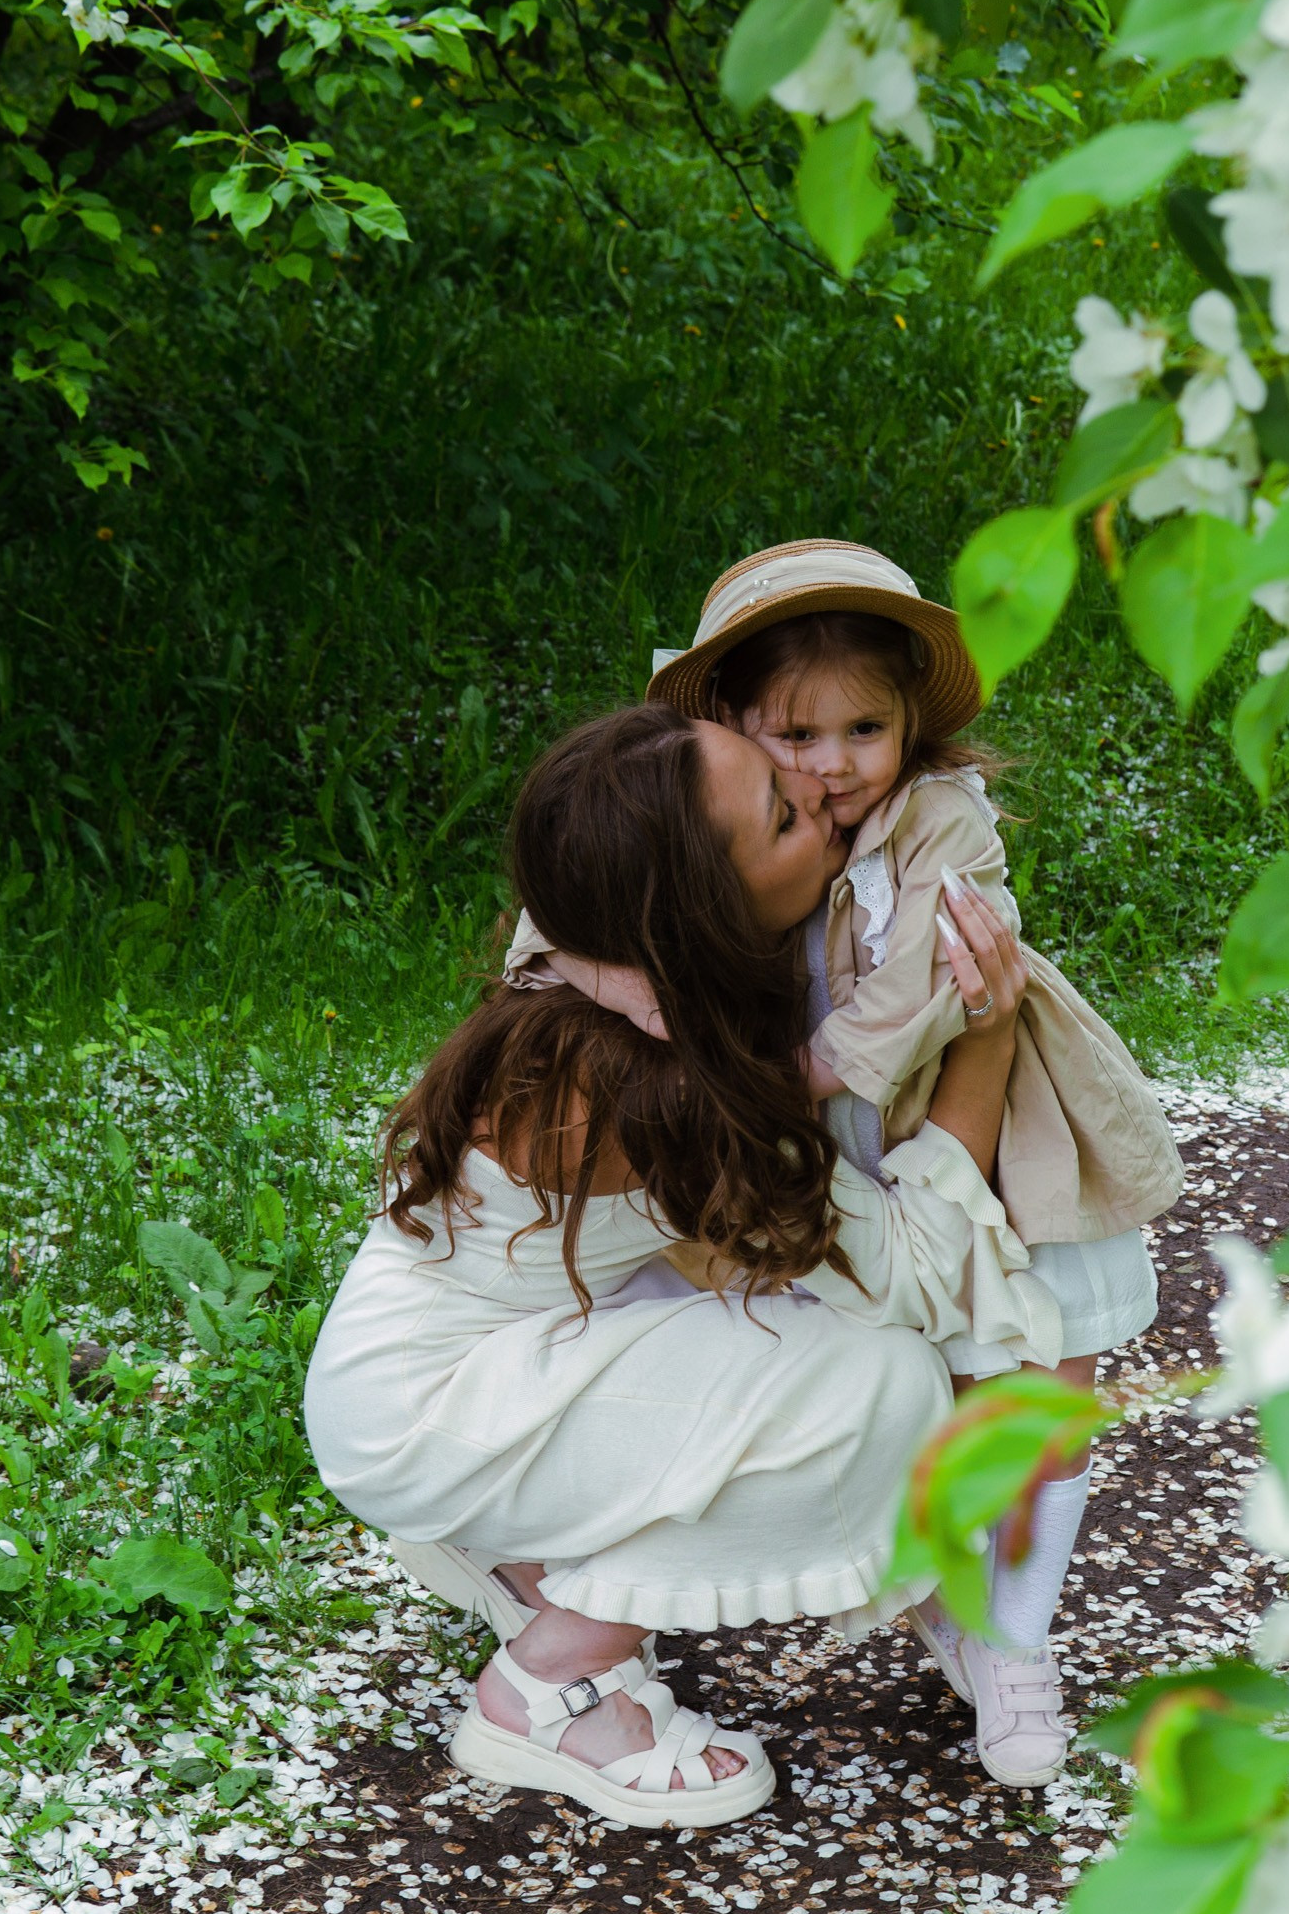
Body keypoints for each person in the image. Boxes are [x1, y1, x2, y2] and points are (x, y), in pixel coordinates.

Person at [302, 703, 1055, 1833]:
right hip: (423, 1414)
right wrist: (986, 1035)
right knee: (886, 1391)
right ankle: (549, 1687)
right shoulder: (646, 1090)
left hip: (456, 1357)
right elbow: (917, 1271)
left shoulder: (595, 982)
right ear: (700, 913)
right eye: (784, 814)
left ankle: (511, 1539)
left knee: (778, 1324)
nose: (825, 798)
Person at [523, 539, 1184, 1739]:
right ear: (730, 722)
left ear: (907, 724)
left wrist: (795, 1075)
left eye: (864, 731)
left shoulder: (940, 821)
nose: (833, 767)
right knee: (800, 1358)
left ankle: (1009, 1629)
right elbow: (574, 894)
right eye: (795, 735)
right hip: (815, 1146)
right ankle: (596, 1557)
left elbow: (928, 979)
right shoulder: (703, 811)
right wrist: (597, 972)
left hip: (968, 1119)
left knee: (1031, 1376)